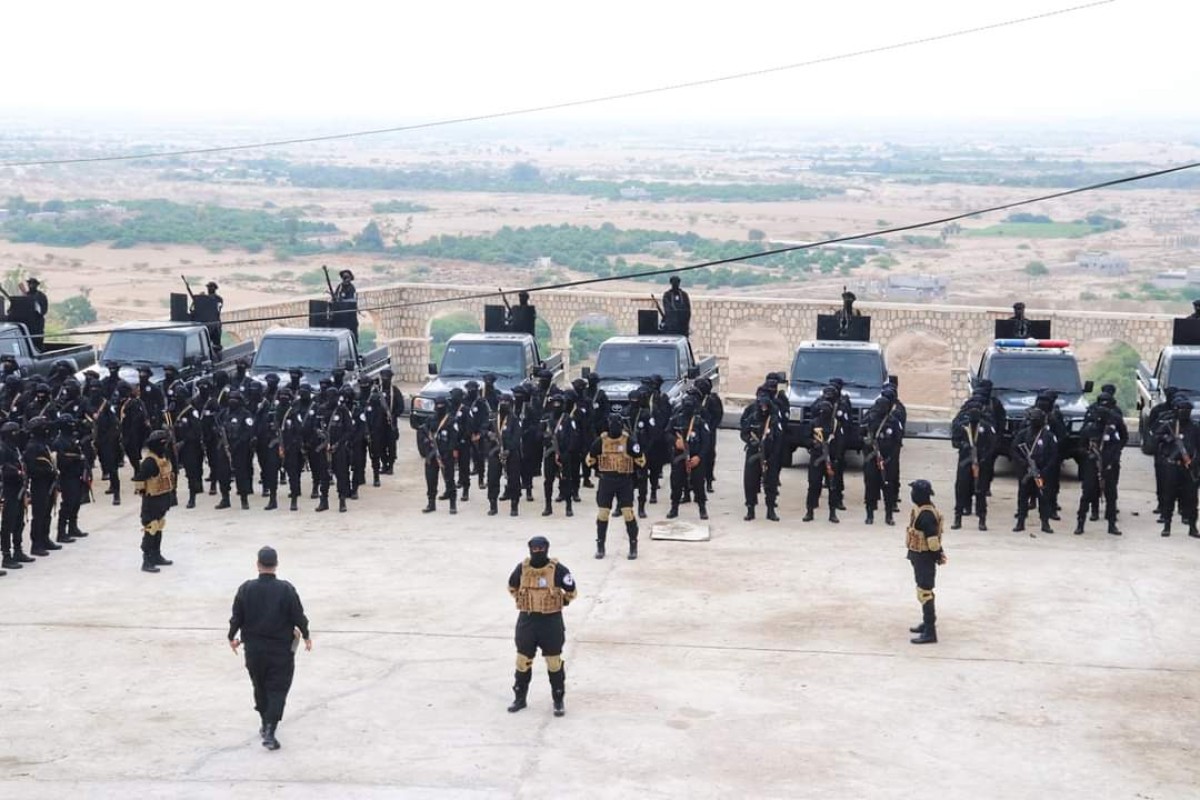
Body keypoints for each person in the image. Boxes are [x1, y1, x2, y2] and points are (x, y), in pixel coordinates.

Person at [228, 546, 312, 751]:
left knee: (260, 686)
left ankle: (265, 722)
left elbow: (237, 616)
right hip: (280, 651)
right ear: (276, 565)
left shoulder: (245, 588)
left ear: (258, 565)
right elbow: (297, 615)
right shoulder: (286, 589)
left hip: (254, 650)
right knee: (277, 689)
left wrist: (232, 637)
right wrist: (307, 635)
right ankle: (270, 730)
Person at [506, 536, 576, 717]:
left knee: (554, 662)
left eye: (541, 548)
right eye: (534, 548)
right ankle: (519, 698)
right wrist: (525, 602)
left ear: (546, 549)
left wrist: (561, 603)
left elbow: (571, 591)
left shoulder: (558, 570)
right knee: (522, 661)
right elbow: (512, 587)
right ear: (530, 549)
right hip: (527, 621)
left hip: (551, 622)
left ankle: (558, 700)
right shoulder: (522, 569)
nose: (537, 552)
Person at [586, 414, 646, 559]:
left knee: (627, 512)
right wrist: (599, 471)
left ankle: (633, 545)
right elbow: (589, 460)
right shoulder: (601, 441)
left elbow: (641, 461)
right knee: (603, 513)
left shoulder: (629, 441)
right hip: (606, 481)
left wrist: (635, 476)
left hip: (624, 481)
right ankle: (600, 546)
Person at [905, 479, 946, 645]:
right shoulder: (922, 510)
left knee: (925, 592)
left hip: (925, 557)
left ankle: (930, 631)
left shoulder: (927, 515)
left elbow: (933, 540)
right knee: (921, 589)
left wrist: (938, 555)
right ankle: (926, 623)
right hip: (919, 555)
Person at [1154, 395, 1200, 538]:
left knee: (1192, 498)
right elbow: (1154, 441)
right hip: (1172, 467)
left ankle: (1193, 527)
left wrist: (1195, 462)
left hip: (1189, 467)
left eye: (1187, 410)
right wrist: (1166, 440)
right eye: (1181, 409)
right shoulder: (1170, 425)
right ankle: (1167, 526)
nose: (1184, 412)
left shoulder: (1195, 428)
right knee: (1169, 497)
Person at [133, 429, 176, 573]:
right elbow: (139, 479)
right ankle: (147, 560)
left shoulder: (163, 458)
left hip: (162, 500)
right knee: (151, 529)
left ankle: (156, 555)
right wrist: (144, 493)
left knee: (159, 527)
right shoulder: (150, 462)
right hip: (151, 502)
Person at [950, 403, 996, 531]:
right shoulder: (963, 426)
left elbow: (992, 445)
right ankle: (957, 518)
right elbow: (954, 441)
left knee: (980, 491)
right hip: (965, 462)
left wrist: (984, 457)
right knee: (961, 489)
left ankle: (982, 519)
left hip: (980, 465)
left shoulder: (986, 428)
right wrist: (963, 445)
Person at [740, 390, 784, 521]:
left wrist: (773, 456)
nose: (763, 408)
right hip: (754, 454)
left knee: (771, 483)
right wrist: (750, 440)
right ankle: (750, 509)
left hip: (770, 455)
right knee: (750, 482)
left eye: (766, 406)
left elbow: (779, 438)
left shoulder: (774, 419)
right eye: (761, 406)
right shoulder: (752, 417)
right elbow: (743, 433)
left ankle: (770, 510)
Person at [1012, 408, 1057, 535]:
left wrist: (1045, 470)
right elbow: (1014, 450)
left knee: (1043, 497)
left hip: (1042, 472)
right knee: (1022, 498)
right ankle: (1020, 522)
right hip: (1026, 471)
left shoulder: (1048, 436)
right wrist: (1023, 463)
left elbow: (1054, 455)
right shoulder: (1023, 434)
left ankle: (1045, 523)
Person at [22, 278, 48, 348]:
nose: (31, 285)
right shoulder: (25, 296)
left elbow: (44, 310)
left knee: (38, 341)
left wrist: (37, 311)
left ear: (36, 285)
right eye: (30, 283)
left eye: (33, 284)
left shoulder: (41, 296)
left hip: (37, 324)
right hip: (28, 324)